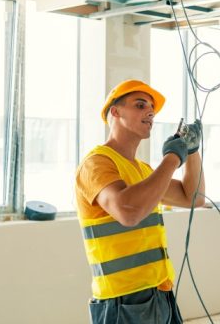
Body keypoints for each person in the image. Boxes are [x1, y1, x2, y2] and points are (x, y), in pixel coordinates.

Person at [75, 79, 205, 324]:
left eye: (152, 109)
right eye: (140, 105)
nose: (150, 112)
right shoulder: (97, 163)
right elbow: (128, 212)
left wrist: (192, 150)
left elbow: (194, 197)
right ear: (115, 111)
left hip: (159, 293)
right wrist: (172, 158)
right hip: (123, 302)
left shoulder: (143, 171)